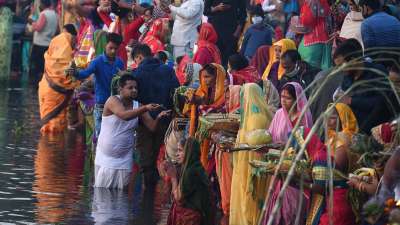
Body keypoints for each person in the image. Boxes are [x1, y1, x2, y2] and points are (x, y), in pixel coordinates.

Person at [94, 74, 170, 189]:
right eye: (130, 88)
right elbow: (124, 115)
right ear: (120, 89)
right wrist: (145, 108)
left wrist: (159, 117)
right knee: (102, 195)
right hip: (105, 158)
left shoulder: (138, 106)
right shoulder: (112, 100)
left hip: (124, 159)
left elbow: (152, 127)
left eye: (136, 88)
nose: (134, 90)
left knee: (121, 196)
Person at [131, 44, 180, 185]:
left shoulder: (136, 73)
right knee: (161, 156)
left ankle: (148, 195)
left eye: (136, 59)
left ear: (139, 57)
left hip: (144, 121)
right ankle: (160, 193)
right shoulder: (167, 70)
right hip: (165, 119)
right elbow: (176, 92)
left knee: (146, 160)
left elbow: (132, 96)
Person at [229, 83, 273, 225]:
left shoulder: (256, 118)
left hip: (251, 166)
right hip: (244, 164)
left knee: (250, 200)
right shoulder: (248, 116)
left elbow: (255, 147)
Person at [68, 33, 124, 138]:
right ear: (105, 45)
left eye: (115, 49)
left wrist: (124, 75)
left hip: (116, 106)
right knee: (100, 137)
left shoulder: (120, 63)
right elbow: (84, 74)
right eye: (110, 48)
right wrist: (75, 72)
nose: (113, 51)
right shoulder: (97, 62)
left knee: (112, 137)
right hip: (101, 106)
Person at [337, 39, 397, 134]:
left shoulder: (376, 73)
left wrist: (351, 101)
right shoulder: (347, 78)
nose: (339, 70)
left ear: (353, 60)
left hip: (376, 133)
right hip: (354, 133)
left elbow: (382, 104)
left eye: (341, 65)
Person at [317, 103, 358, 225]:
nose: (328, 121)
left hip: (339, 194)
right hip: (328, 191)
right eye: (326, 117)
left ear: (342, 118)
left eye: (333, 117)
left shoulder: (342, 139)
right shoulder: (331, 137)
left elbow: (336, 170)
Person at [164, 138, 214, 225]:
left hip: (191, 218)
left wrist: (173, 177)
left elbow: (178, 197)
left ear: (188, 152)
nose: (177, 154)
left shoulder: (190, 172)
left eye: (180, 150)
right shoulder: (197, 167)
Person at [38, 25, 79, 134]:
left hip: (45, 89)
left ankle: (49, 147)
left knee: (48, 124)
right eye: (72, 41)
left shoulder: (50, 57)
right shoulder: (66, 62)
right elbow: (68, 79)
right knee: (53, 127)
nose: (74, 44)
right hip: (53, 95)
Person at [187, 63, 227, 167]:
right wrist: (195, 101)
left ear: (217, 76)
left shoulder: (226, 93)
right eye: (203, 77)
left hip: (218, 138)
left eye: (207, 77)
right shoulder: (204, 90)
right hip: (205, 137)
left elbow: (217, 110)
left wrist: (200, 105)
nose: (204, 80)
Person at [204, 0, 247, 66]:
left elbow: (243, 15)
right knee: (216, 60)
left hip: (231, 33)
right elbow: (205, 11)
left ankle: (229, 75)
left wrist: (237, 32)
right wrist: (217, 8)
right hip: (215, 33)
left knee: (230, 61)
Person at [29, 0, 58, 84]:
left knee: (38, 67)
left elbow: (38, 28)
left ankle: (38, 84)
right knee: (45, 66)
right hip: (49, 43)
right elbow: (57, 30)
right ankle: (44, 83)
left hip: (39, 44)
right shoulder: (55, 14)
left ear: (43, 4)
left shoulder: (44, 14)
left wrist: (32, 22)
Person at [297, 0, 332, 70]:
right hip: (326, 39)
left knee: (309, 70)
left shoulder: (310, 2)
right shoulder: (324, 2)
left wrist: (296, 25)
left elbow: (306, 22)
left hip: (312, 42)